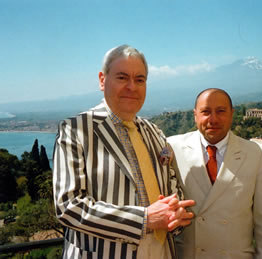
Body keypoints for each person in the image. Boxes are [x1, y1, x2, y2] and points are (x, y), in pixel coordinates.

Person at [52, 44, 194, 259]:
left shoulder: (154, 132)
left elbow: (172, 185)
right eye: (122, 78)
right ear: (102, 80)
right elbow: (68, 206)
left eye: (139, 80)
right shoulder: (76, 129)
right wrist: (144, 219)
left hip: (161, 251)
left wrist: (177, 212)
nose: (132, 87)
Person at [167, 88, 262, 259]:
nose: (213, 119)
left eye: (221, 111)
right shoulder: (172, 148)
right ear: (195, 115)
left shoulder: (254, 153)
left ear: (232, 114)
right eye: (206, 112)